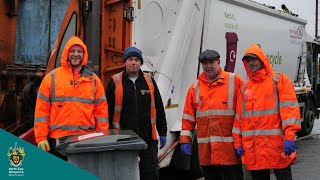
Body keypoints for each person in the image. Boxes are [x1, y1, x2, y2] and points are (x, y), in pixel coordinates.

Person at [232, 44, 301, 180]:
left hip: (277, 147)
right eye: (248, 60)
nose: (251, 63)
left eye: (254, 59)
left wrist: (289, 137)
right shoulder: (245, 87)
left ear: (262, 60)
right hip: (254, 149)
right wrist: (237, 142)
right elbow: (240, 117)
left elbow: (289, 111)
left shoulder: (279, 80)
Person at [34, 36, 109, 159]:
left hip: (85, 140)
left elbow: (101, 113)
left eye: (79, 51)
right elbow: (42, 111)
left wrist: (101, 137)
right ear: (66, 53)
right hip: (58, 140)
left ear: (84, 54)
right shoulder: (52, 78)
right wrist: (41, 137)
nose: (76, 54)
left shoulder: (94, 80)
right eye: (72, 51)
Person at [180, 49, 244, 180]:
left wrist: (245, 141)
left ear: (218, 62)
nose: (208, 66)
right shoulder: (195, 88)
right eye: (204, 63)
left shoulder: (235, 81)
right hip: (207, 152)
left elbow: (245, 113)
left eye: (211, 62)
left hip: (230, 152)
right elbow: (188, 118)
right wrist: (185, 140)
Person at [105, 46, 167, 180]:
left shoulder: (149, 81)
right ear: (124, 62)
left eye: (137, 60)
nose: (134, 63)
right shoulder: (114, 82)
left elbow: (159, 107)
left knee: (149, 174)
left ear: (141, 63)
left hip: (148, 140)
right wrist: (107, 136)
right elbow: (106, 112)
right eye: (130, 59)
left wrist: (162, 132)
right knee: (125, 175)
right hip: (122, 139)